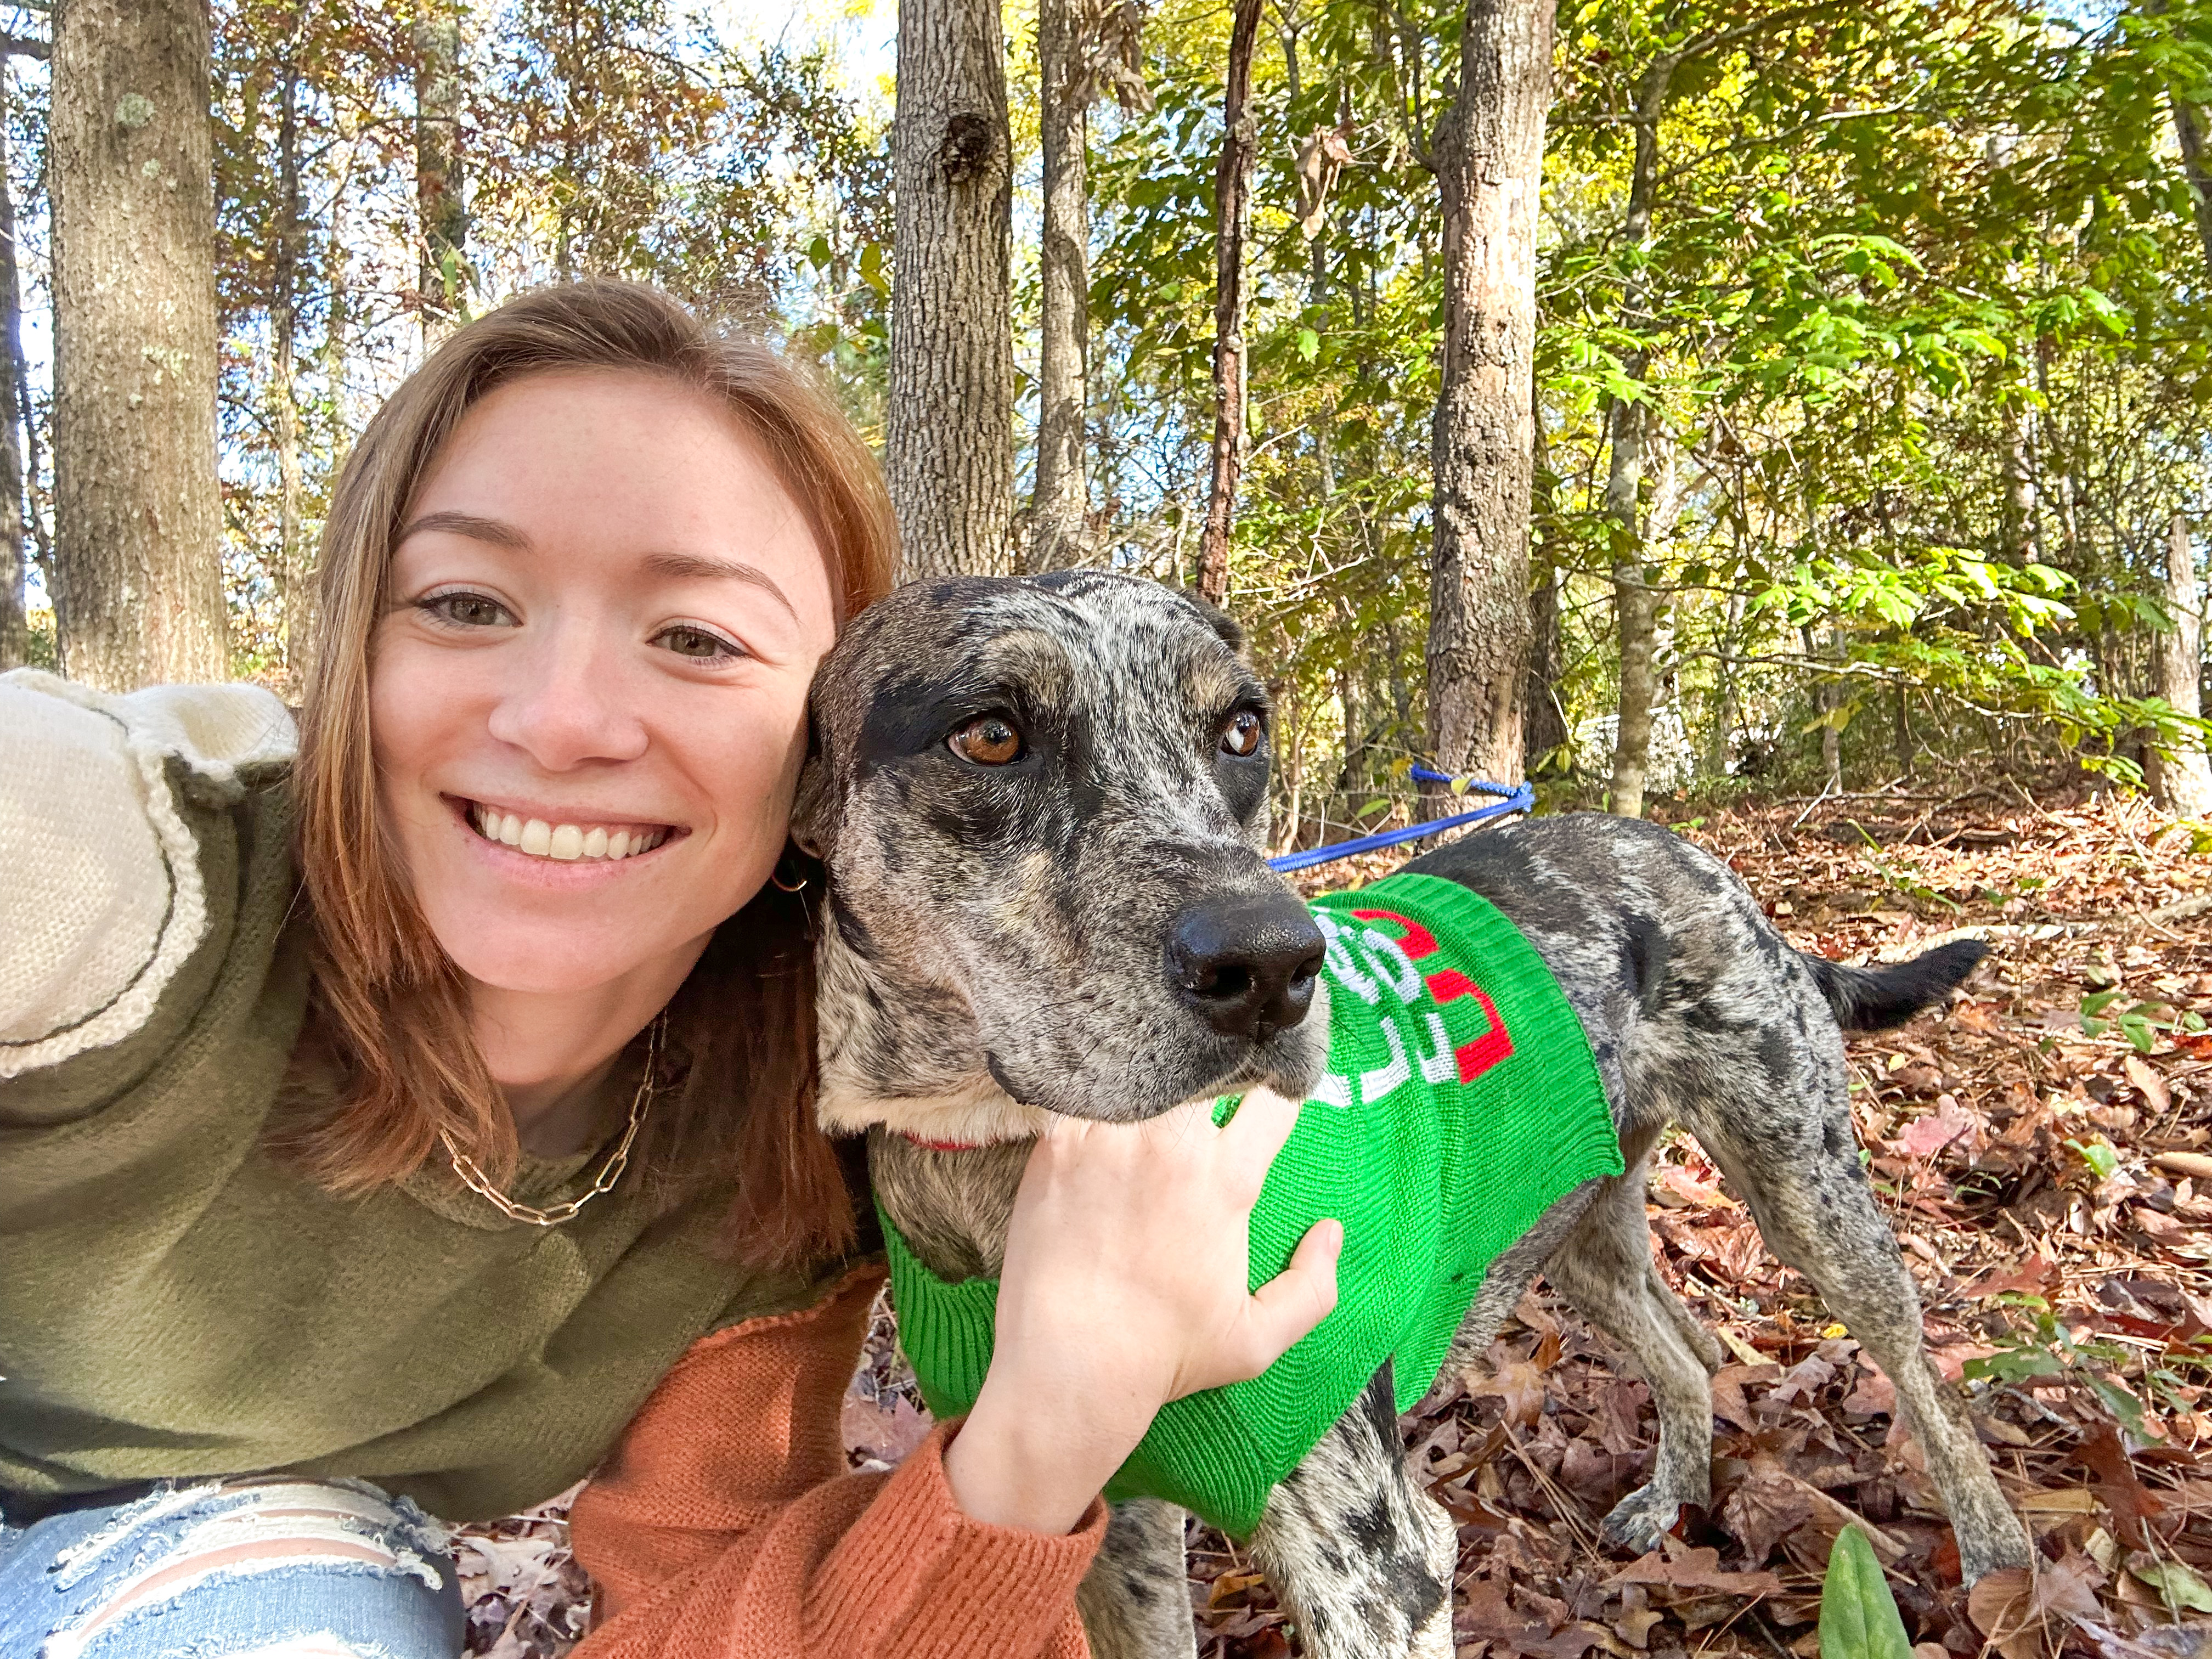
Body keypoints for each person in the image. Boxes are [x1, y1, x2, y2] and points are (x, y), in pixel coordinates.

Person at [0, 280, 1340, 1659]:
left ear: (822, 757)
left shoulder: (800, 1136)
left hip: (211, 1555)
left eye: (696, 637)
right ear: (357, 646)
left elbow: (716, 1620)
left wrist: (1047, 1426)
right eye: (465, 603)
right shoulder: (114, 863)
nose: (565, 721)